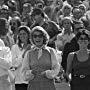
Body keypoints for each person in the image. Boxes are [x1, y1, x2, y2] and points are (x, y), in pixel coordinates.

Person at [22, 26, 60, 90]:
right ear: (32, 38)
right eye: (35, 36)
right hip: (33, 86)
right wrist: (31, 72)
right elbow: (24, 72)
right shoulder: (29, 53)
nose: (37, 38)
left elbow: (56, 68)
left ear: (44, 37)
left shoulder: (51, 51)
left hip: (48, 86)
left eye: (40, 36)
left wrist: (47, 73)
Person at [11, 25, 31, 90]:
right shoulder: (14, 47)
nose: (22, 36)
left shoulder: (33, 47)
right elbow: (14, 64)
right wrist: (24, 53)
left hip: (31, 80)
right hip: (19, 81)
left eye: (24, 33)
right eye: (20, 34)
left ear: (28, 35)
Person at [0, 18, 15, 90]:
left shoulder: (9, 38)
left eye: (6, 25)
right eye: (3, 25)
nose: (6, 27)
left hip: (7, 72)